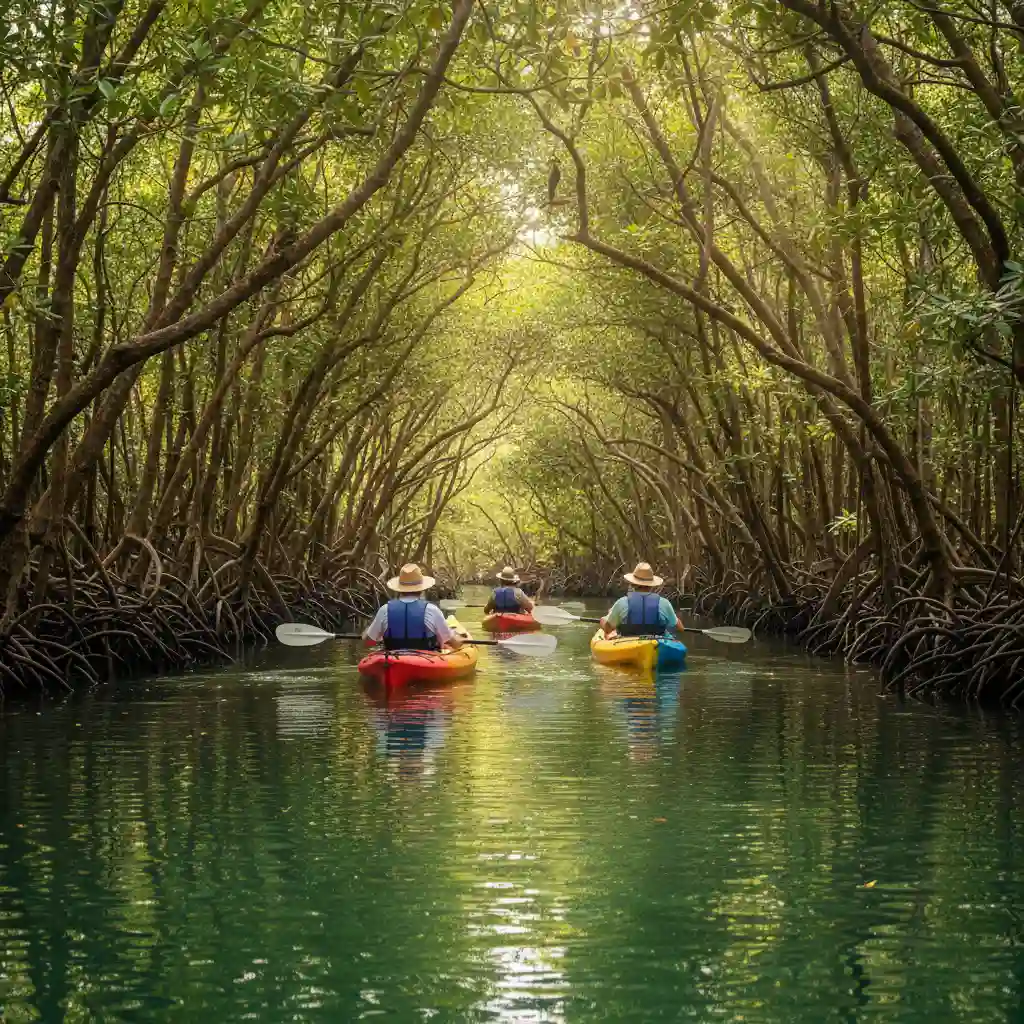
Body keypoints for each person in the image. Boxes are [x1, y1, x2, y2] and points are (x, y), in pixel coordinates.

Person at [363, 563, 463, 651]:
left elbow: (368, 643)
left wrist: (370, 630)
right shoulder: (432, 610)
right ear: (421, 589)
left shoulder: (384, 610)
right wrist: (457, 637)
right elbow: (454, 643)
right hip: (425, 661)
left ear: (399, 589)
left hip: (392, 660)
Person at [600, 562, 684, 638]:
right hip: (657, 643)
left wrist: (604, 619)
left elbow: (608, 630)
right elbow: (680, 628)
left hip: (627, 643)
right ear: (652, 585)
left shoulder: (621, 603)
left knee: (604, 620)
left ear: (632, 584)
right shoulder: (664, 603)